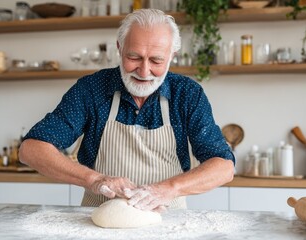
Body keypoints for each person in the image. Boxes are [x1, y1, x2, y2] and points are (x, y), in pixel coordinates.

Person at [19, 9, 235, 212]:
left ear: (172, 56)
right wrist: (95, 180)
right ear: (120, 47)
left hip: (168, 222)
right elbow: (31, 149)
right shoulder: (92, 90)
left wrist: (168, 189)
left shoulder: (187, 94)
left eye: (156, 60)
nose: (144, 70)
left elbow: (224, 166)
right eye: (134, 57)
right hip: (99, 220)